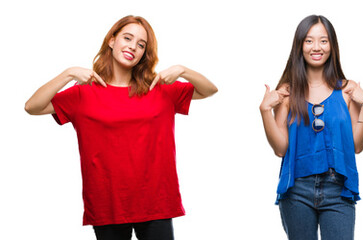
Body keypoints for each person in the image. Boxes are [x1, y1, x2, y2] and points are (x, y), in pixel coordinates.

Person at [23, 15, 218, 240]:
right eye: (127, 38)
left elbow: (209, 90)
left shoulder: (159, 88)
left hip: (156, 202)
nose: (133, 47)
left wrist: (183, 70)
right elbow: (32, 107)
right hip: (107, 204)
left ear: (144, 53)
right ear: (112, 41)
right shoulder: (83, 93)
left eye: (141, 45)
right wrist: (68, 73)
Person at [259, 15, 363, 240]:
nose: (316, 47)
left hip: (338, 188)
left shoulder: (347, 89)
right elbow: (281, 149)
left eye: (323, 40)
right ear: (300, 46)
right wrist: (264, 111)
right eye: (309, 41)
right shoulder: (287, 92)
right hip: (297, 190)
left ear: (332, 45)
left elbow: (357, 146)